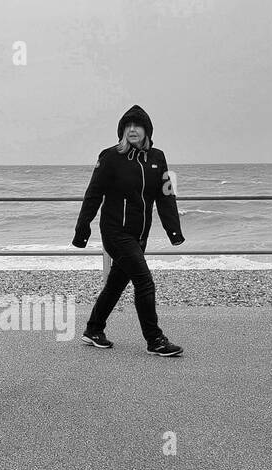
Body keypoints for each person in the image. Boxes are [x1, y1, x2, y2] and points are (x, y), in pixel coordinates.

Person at [73, 105, 185, 356]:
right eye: (128, 125)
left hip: (139, 235)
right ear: (122, 130)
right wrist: (82, 230)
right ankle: (155, 340)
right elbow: (93, 195)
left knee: (115, 284)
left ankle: (93, 329)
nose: (133, 129)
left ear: (147, 130)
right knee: (144, 281)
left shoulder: (158, 158)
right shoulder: (110, 157)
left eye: (138, 125)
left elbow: (166, 195)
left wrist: (174, 231)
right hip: (115, 232)